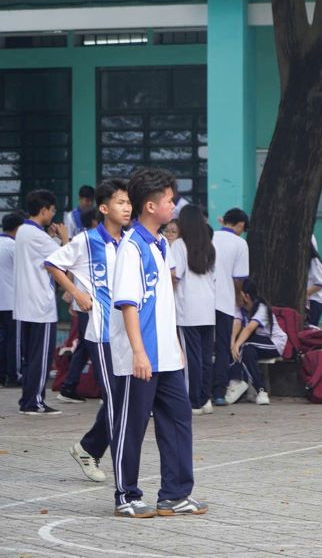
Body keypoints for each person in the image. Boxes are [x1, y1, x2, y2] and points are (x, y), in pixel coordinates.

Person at [110, 167, 205, 517]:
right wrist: (138, 351)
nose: (173, 206)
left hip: (167, 354)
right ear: (150, 207)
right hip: (142, 355)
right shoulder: (131, 247)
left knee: (179, 418)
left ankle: (175, 493)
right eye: (168, 201)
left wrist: (175, 343)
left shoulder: (162, 244)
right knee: (132, 424)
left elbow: (163, 301)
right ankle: (127, 495)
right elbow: (127, 303)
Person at [45, 178, 131, 483]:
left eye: (129, 202)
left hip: (128, 334)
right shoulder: (86, 241)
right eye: (121, 202)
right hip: (101, 332)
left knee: (121, 399)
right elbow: (53, 264)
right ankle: (101, 457)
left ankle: (87, 448)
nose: (127, 208)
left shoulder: (131, 242)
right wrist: (77, 293)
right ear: (105, 208)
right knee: (117, 399)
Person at [15, 188, 69, 415]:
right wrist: (65, 238)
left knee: (31, 357)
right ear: (44, 210)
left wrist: (53, 238)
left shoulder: (24, 231)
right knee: (41, 357)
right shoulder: (37, 236)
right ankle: (34, 402)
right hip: (40, 306)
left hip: (25, 305)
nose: (53, 215)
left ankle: (27, 399)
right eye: (52, 210)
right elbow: (66, 258)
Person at [169, 204, 216, 415]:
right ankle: (205, 398)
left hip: (187, 309)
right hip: (208, 308)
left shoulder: (179, 245)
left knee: (190, 358)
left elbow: (175, 277)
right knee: (206, 357)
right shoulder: (209, 246)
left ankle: (193, 400)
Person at [55, 207, 101, 403]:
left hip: (87, 302)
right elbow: (63, 265)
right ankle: (106, 390)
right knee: (94, 344)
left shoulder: (91, 240)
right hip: (87, 302)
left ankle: (69, 387)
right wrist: (73, 296)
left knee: (86, 345)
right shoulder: (87, 241)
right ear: (95, 222)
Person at [211, 208, 250, 406]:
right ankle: (219, 392)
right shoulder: (240, 243)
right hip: (225, 302)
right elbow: (239, 278)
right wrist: (238, 296)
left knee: (202, 347)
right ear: (241, 225)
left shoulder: (209, 237)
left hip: (203, 301)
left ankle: (201, 391)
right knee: (222, 347)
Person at [227, 278, 286, 406]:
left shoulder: (261, 308)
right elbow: (236, 323)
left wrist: (237, 344)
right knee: (247, 351)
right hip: (255, 344)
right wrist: (233, 344)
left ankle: (237, 381)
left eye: (238, 293)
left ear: (246, 296)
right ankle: (261, 391)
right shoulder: (241, 308)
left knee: (245, 345)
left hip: (273, 344)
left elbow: (249, 329)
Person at [0, 211, 24, 387]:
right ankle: (14, 375)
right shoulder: (13, 246)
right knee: (13, 341)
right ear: (18, 228)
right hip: (10, 301)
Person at [305, 241, 322, 327]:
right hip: (307, 301)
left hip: (314, 302)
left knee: (310, 329)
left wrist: (306, 293)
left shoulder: (314, 260)